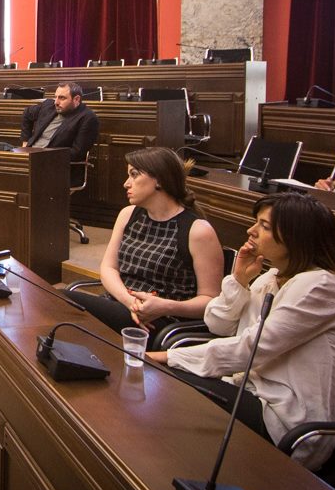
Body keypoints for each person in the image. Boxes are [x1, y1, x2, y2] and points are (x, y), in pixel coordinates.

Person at [146, 193, 335, 471]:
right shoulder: (272, 277)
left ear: (296, 236)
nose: (251, 231)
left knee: (165, 383)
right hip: (249, 392)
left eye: (264, 225)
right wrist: (239, 280)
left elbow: (250, 348)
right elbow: (218, 325)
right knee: (163, 387)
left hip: (288, 422)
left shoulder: (320, 286)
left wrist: (168, 357)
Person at [66, 147, 224, 346]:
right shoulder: (128, 214)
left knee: (62, 301)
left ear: (159, 180)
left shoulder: (198, 230)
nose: (126, 183)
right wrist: (129, 301)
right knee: (57, 305)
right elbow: (108, 268)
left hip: (159, 320)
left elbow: (210, 301)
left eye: (134, 175)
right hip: (121, 304)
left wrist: (166, 306)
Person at [19, 82, 100, 178]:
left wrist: (42, 156)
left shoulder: (87, 118)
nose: (56, 102)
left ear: (76, 99)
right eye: (56, 97)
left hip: (55, 166)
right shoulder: (49, 106)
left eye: (62, 98)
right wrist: (25, 142)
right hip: (29, 157)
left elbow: (77, 153)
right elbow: (27, 113)